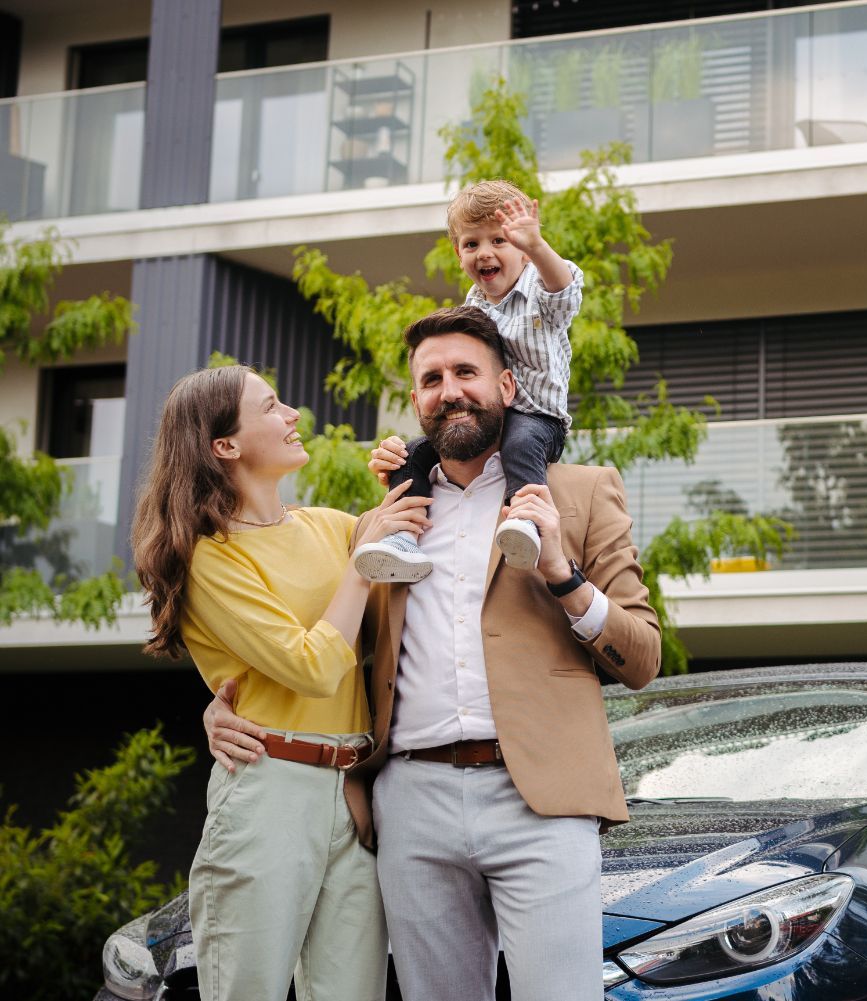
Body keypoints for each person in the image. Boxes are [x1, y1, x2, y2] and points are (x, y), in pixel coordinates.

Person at [206, 306, 662, 1001]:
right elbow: (304, 635)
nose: (449, 389)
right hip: (409, 802)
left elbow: (643, 657)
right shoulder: (379, 523)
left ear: (509, 386)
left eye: (466, 373)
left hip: (539, 798)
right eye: (431, 378)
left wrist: (565, 577)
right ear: (416, 398)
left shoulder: (580, 491)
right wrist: (219, 700)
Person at [131, 364, 432, 1001]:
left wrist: (407, 461)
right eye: (271, 407)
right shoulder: (209, 555)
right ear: (225, 445)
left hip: (354, 797)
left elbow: (396, 628)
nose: (293, 414)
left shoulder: (328, 525)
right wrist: (363, 562)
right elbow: (313, 666)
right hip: (269, 792)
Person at [353, 179, 583, 584]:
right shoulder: (472, 306)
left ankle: (524, 521)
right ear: (458, 254)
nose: (485, 253)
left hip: (537, 417)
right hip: (492, 415)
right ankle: (404, 537)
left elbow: (564, 291)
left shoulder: (537, 287)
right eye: (472, 244)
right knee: (412, 455)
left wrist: (536, 246)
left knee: (520, 444)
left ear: (523, 252)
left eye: (500, 240)